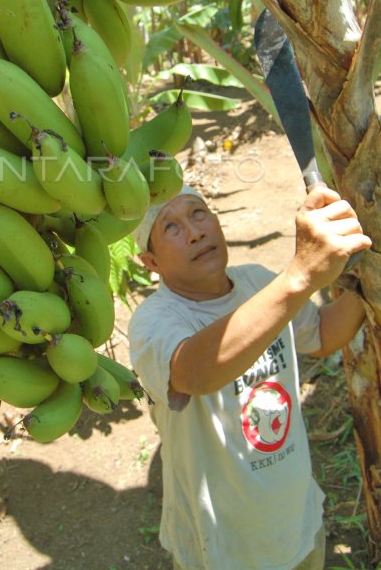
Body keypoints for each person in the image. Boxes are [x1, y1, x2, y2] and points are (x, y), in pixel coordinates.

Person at [128, 183, 372, 570]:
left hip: (296, 520)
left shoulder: (258, 282)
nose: (195, 231)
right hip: (224, 546)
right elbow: (194, 373)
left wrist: (370, 281)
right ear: (151, 263)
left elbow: (322, 334)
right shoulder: (154, 321)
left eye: (198, 212)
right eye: (170, 227)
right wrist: (299, 276)